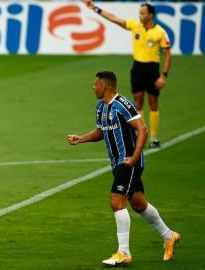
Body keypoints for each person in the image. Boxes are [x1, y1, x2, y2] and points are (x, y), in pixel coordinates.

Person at [67, 71, 179, 267]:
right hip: (118, 163)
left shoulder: (122, 104)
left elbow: (142, 128)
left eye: (95, 85)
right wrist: (81, 138)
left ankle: (124, 252)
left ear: (104, 86)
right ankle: (169, 236)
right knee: (138, 203)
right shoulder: (100, 107)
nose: (93, 87)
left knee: (116, 201)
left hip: (127, 162)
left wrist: (135, 157)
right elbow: (101, 131)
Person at [83, 0, 172, 148]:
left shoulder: (160, 32)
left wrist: (164, 75)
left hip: (152, 69)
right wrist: (96, 9)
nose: (140, 16)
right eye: (139, 13)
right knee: (137, 102)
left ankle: (154, 138)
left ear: (151, 15)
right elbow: (114, 18)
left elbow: (168, 55)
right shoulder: (135, 26)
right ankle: (139, 135)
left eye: (143, 13)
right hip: (137, 68)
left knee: (153, 102)